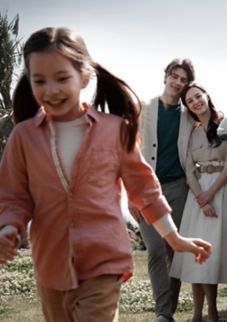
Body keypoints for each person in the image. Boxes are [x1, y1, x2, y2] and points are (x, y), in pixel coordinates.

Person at [0, 27, 211, 322]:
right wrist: (9, 226)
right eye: (40, 81)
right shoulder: (24, 137)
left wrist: (173, 237)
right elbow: (13, 196)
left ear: (85, 78)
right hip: (50, 265)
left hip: (103, 261)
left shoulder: (113, 130)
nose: (51, 90)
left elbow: (144, 188)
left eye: (62, 78)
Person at [128, 57, 196, 322]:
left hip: (178, 188)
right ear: (165, 75)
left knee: (173, 250)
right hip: (145, 190)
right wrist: (131, 195)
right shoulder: (143, 108)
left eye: (183, 80)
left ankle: (167, 311)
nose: (178, 83)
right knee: (156, 249)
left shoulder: (188, 115)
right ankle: (163, 313)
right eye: (175, 76)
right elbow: (127, 150)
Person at [170, 84, 227, 322]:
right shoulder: (190, 132)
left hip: (221, 191)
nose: (196, 102)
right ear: (188, 107)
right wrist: (201, 198)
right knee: (194, 255)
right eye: (190, 101)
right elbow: (189, 168)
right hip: (197, 197)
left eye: (198, 96)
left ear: (207, 95)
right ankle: (197, 313)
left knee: (212, 253)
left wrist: (210, 194)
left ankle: (212, 311)